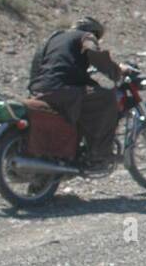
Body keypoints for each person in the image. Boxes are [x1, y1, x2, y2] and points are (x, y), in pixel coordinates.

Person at [28, 16, 126, 169]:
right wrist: (116, 72)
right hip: (63, 89)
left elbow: (37, 63)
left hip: (40, 89)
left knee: (88, 96)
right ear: (94, 32)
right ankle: (100, 155)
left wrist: (35, 90)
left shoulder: (53, 38)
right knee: (107, 98)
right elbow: (95, 54)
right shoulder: (86, 37)